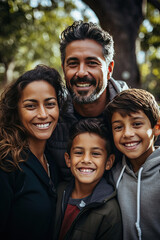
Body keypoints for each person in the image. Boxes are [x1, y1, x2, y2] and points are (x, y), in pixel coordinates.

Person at [47, 20, 128, 181]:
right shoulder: (50, 116)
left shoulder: (138, 115)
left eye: (92, 63)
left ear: (109, 69)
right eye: (73, 63)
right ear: (63, 69)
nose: (81, 72)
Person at [0, 65, 64, 240]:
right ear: (17, 111)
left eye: (50, 104)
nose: (43, 114)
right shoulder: (6, 163)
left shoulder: (52, 160)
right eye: (31, 106)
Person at [53, 118, 122, 240]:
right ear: (68, 159)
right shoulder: (58, 192)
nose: (86, 159)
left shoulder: (109, 211)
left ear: (108, 162)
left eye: (95, 154)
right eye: (79, 152)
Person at [105, 88, 160, 240]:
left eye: (136, 124)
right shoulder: (114, 174)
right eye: (118, 127)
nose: (127, 133)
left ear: (156, 127)